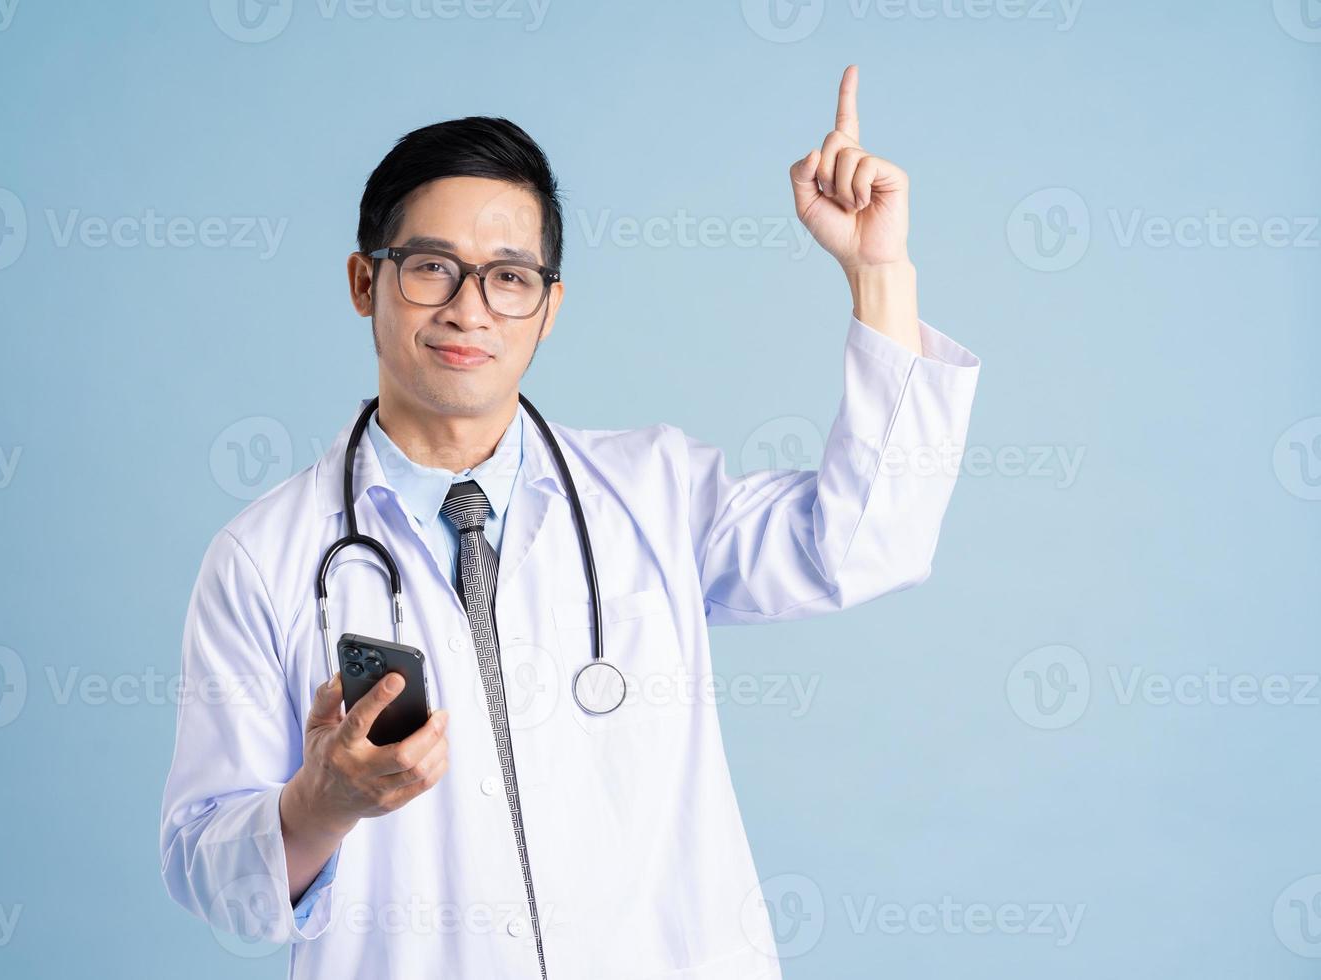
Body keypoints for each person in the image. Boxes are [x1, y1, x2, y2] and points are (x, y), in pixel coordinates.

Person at [159, 65, 980, 980]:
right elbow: (203, 864)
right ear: (365, 281)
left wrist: (880, 275)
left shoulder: (657, 492)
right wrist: (322, 802)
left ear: (549, 308)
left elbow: (870, 544)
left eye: (509, 277)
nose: (469, 307)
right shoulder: (262, 558)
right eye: (432, 267)